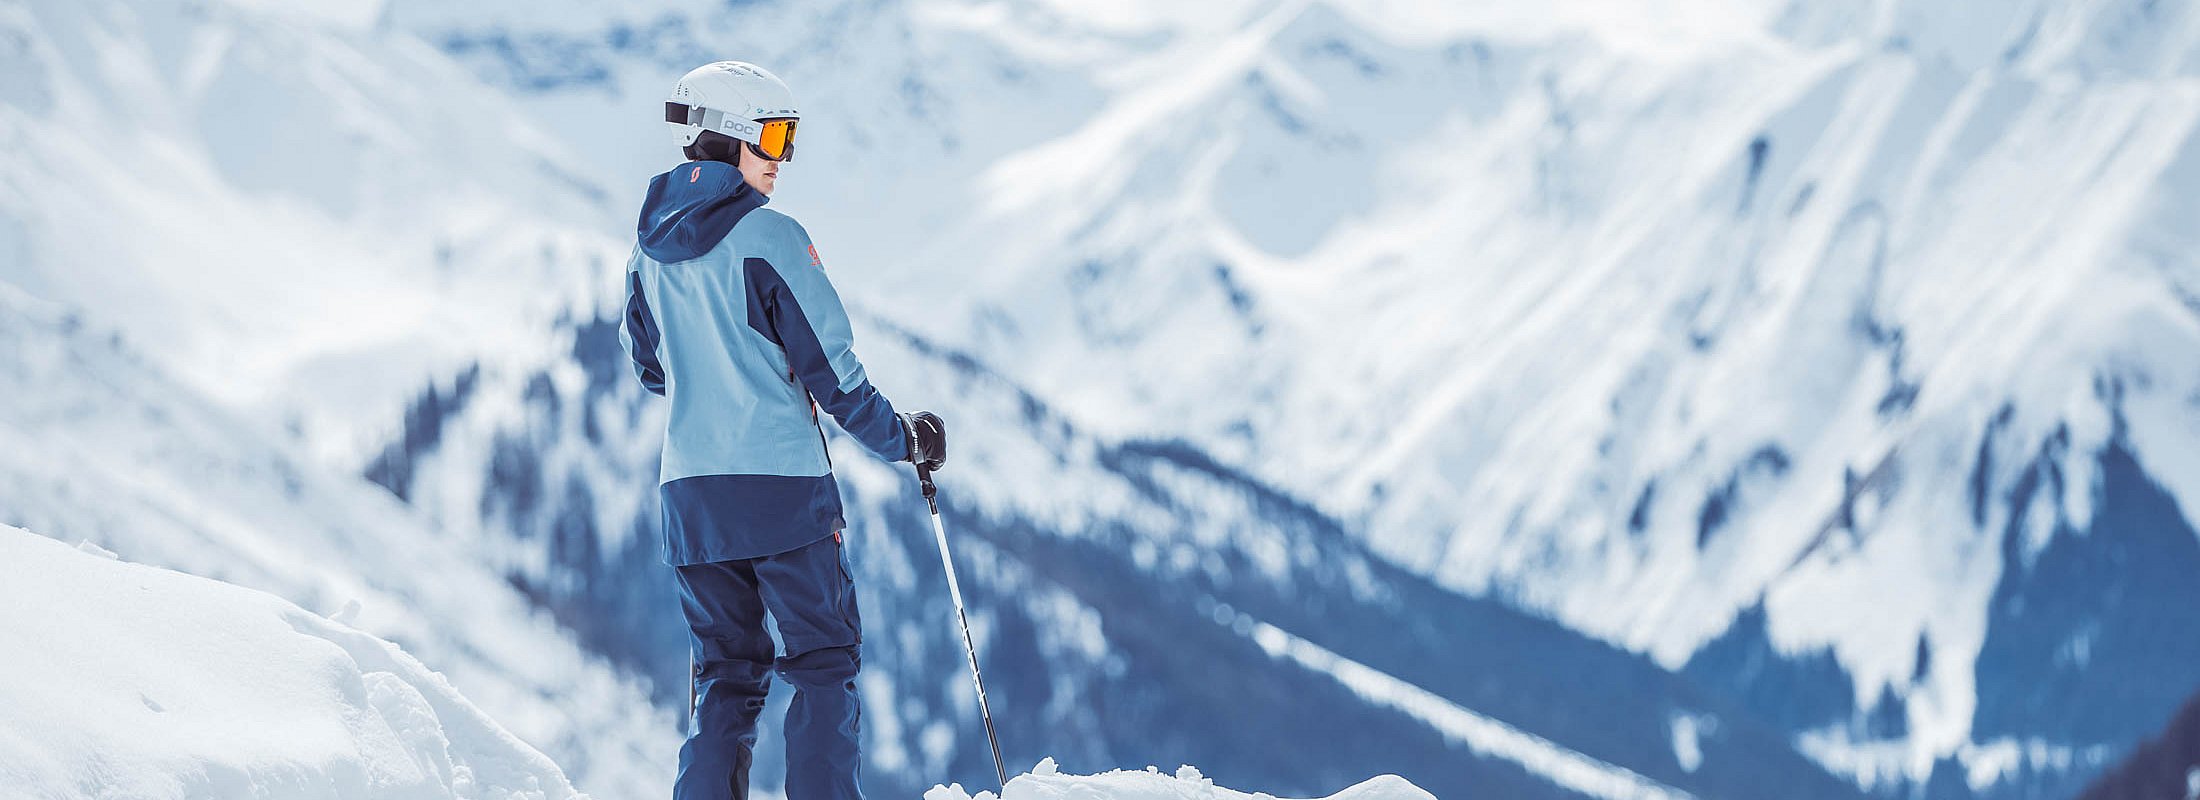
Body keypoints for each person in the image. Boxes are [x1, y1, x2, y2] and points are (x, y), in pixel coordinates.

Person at [620, 60, 947, 800]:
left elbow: (651, 371)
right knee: (823, 662)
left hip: (691, 496)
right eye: (772, 137)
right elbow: (834, 378)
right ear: (729, 137)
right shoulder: (770, 238)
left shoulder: (646, 253)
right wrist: (907, 438)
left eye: (789, 139)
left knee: (727, 677)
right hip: (782, 493)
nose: (782, 159)